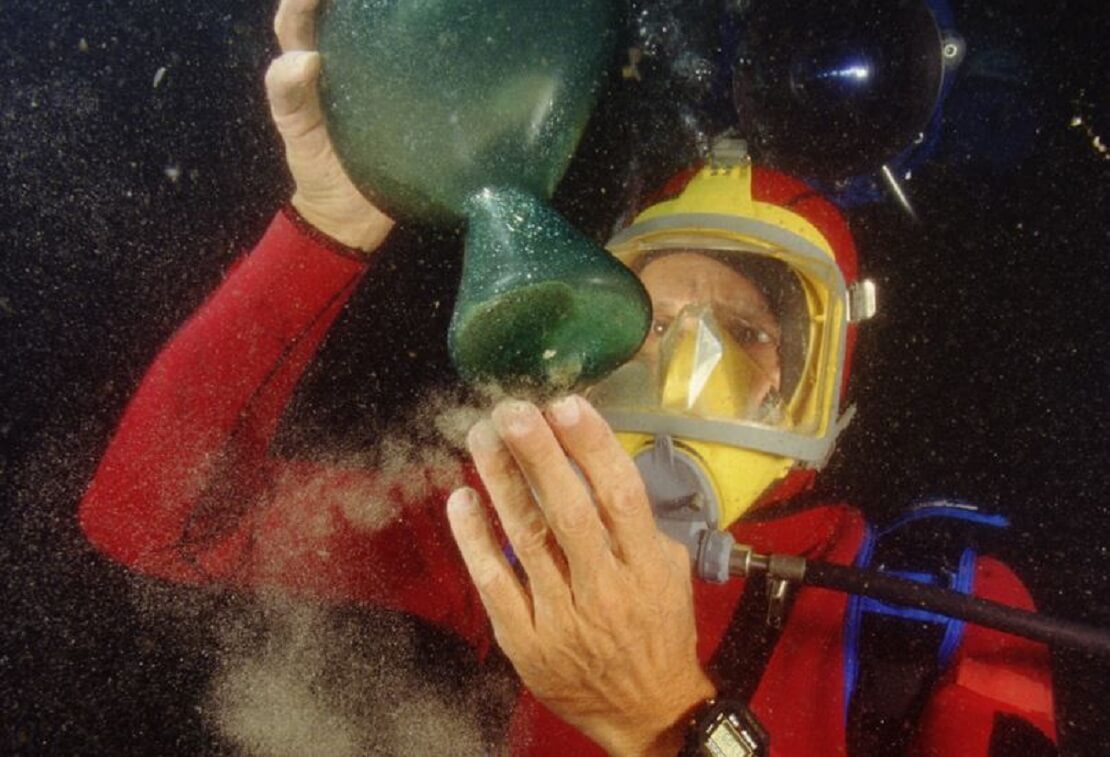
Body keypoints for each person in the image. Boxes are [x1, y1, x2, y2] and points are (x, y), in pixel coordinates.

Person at [79, 0, 1057, 753]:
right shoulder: (505, 540)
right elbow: (158, 517)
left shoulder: (931, 611)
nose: (683, 364)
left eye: (746, 332)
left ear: (814, 382)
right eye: (649, 319)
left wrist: (670, 719)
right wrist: (330, 224)